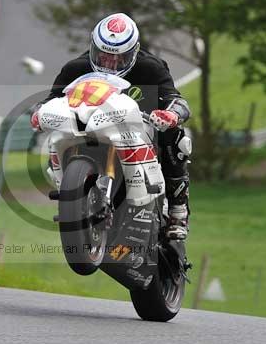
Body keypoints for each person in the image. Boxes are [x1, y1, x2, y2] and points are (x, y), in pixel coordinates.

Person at [31, 13, 191, 239]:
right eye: (103, 56)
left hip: (138, 130)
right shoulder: (75, 68)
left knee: (177, 139)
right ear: (93, 47)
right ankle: (76, 197)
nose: (109, 64)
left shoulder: (151, 68)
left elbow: (178, 101)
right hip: (88, 127)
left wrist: (171, 114)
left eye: (119, 59)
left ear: (133, 52)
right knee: (57, 135)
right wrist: (39, 113)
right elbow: (50, 100)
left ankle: (178, 210)